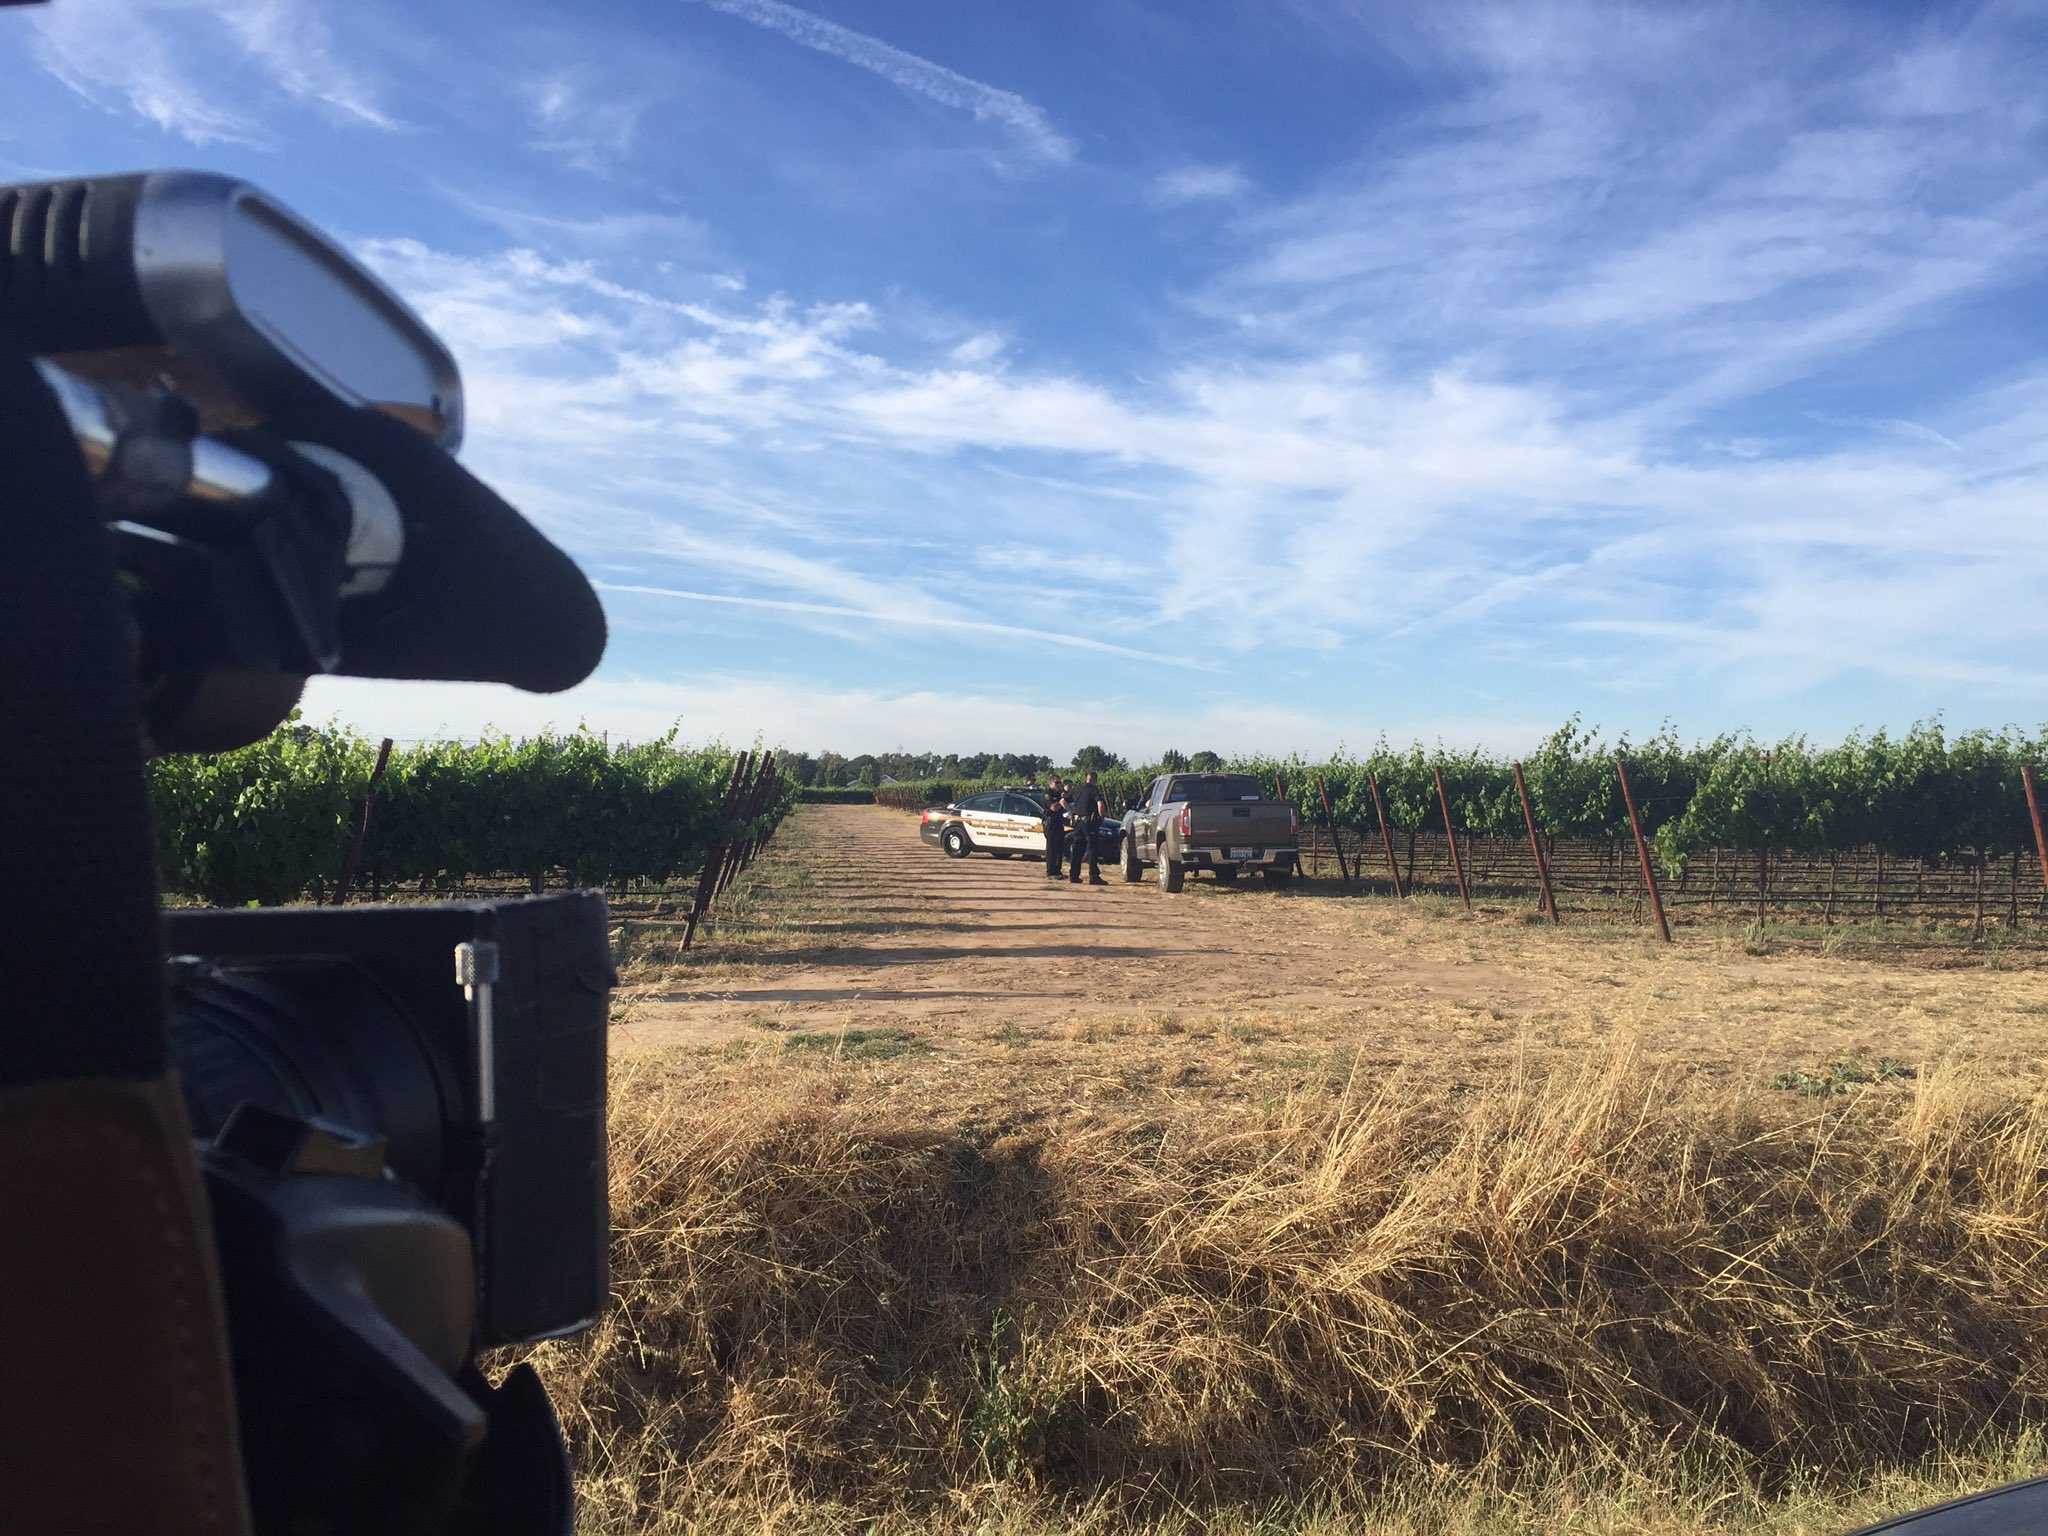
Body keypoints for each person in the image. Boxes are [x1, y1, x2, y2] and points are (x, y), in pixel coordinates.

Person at [1067, 770, 1108, 885]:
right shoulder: (1094, 789)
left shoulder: (1077, 789)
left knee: (1077, 849)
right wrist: (1102, 816)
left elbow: (1063, 800)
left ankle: (1074, 876)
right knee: (1092, 849)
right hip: (1089, 823)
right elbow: (1100, 804)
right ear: (1095, 780)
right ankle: (1094, 876)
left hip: (1078, 822)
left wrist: (1071, 812)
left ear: (1086, 778)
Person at [1042, 774, 1067, 878]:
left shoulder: (1060, 794)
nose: (1059, 784)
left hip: (1059, 822)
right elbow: (1053, 807)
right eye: (1057, 782)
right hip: (1050, 822)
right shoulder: (1048, 794)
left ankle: (1057, 871)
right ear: (1051, 783)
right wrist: (1061, 803)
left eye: (1060, 782)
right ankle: (1051, 872)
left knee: (1059, 848)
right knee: (1051, 848)